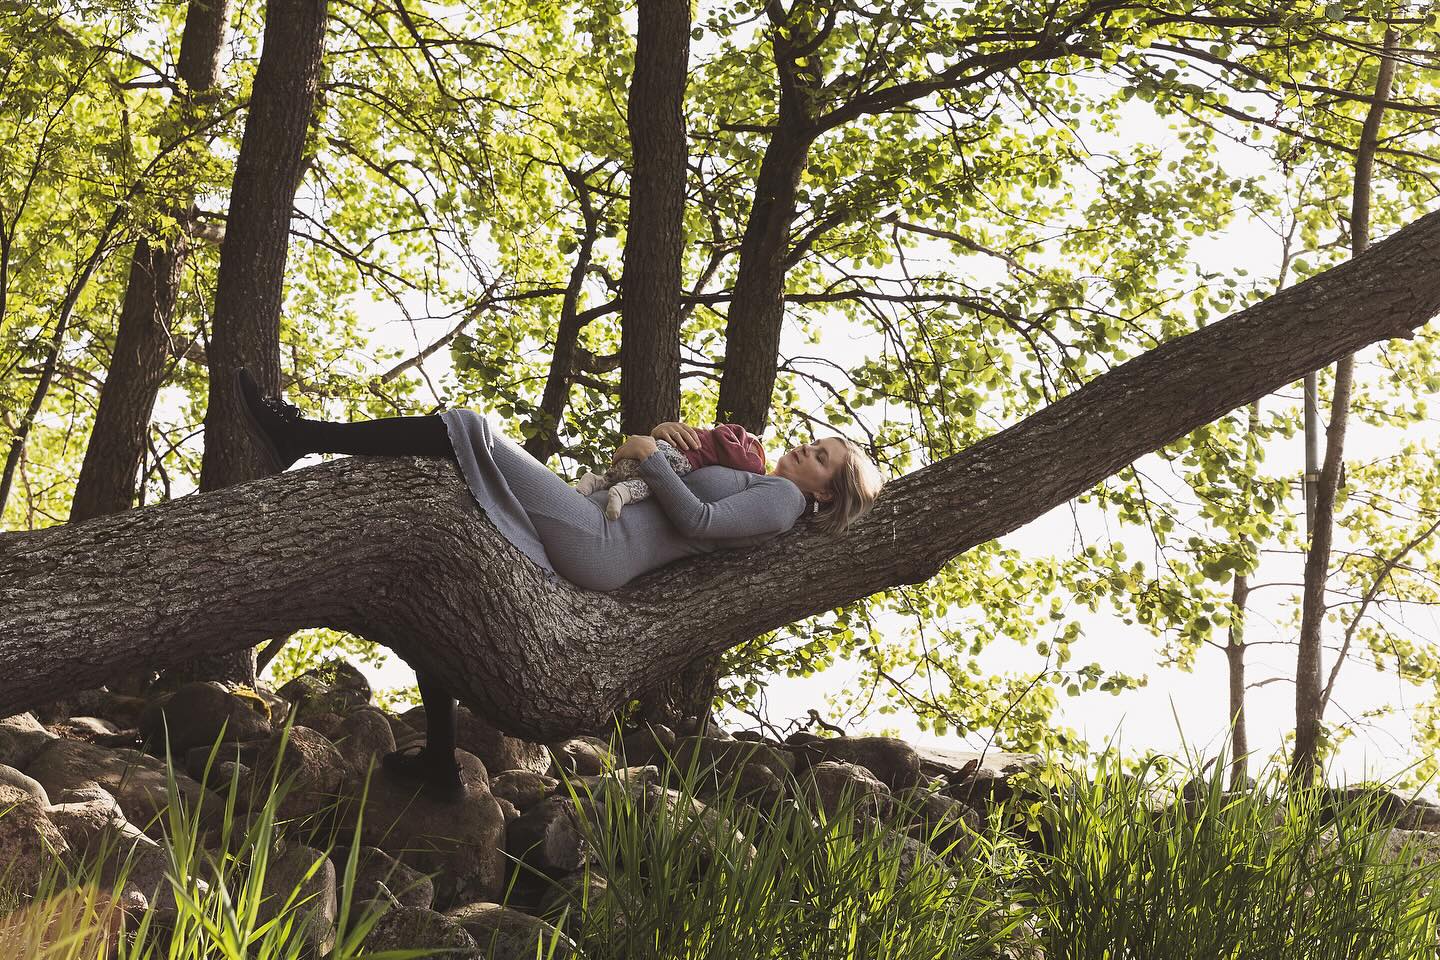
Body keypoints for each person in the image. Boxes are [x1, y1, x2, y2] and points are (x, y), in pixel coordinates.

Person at [233, 368, 885, 799]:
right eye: (812, 443)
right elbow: (681, 485)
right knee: (444, 584)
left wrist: (651, 458)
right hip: (600, 539)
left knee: (472, 428)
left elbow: (697, 517)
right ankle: (438, 756)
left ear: (828, 494)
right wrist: (662, 440)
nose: (805, 449)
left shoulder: (782, 504)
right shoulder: (772, 486)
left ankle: (303, 435)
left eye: (820, 458)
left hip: (601, 546)